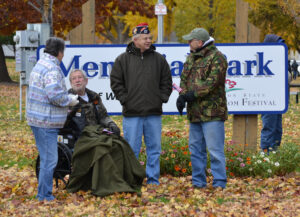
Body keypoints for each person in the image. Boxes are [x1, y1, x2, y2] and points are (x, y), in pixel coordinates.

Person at [66, 69, 146, 196]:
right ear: (70, 82)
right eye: (74, 78)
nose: (77, 80)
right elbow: (63, 122)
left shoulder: (94, 97)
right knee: (101, 148)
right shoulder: (67, 99)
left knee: (118, 144)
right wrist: (70, 109)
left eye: (80, 78)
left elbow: (103, 116)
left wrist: (111, 124)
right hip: (80, 136)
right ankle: (104, 184)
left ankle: (123, 180)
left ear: (86, 81)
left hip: (97, 132)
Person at [110, 23, 172, 185]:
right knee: (131, 150)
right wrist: (125, 100)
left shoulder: (159, 59)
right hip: (132, 114)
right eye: (145, 38)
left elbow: (167, 81)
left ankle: (153, 180)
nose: (149, 40)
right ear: (135, 40)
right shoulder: (122, 60)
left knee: (154, 150)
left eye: (149, 37)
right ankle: (132, 180)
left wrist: (161, 98)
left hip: (153, 113)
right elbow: (116, 83)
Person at [26, 37, 79, 201]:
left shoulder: (40, 65)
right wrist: (70, 100)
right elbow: (55, 95)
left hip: (36, 118)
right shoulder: (52, 69)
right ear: (60, 52)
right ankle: (44, 195)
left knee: (46, 158)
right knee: (50, 160)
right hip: (46, 121)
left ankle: (43, 193)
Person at [176, 28, 228, 189]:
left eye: (190, 40)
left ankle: (219, 182)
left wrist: (191, 95)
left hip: (212, 113)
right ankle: (198, 182)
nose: (188, 43)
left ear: (199, 42)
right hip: (195, 113)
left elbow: (212, 83)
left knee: (215, 150)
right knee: (196, 150)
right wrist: (182, 95)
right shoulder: (191, 58)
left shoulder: (217, 57)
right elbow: (183, 79)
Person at [260, 34, 286, 152]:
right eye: (278, 43)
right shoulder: (263, 60)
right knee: (269, 128)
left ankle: (274, 153)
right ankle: (265, 153)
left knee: (277, 129)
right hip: (267, 98)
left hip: (278, 99)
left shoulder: (280, 59)